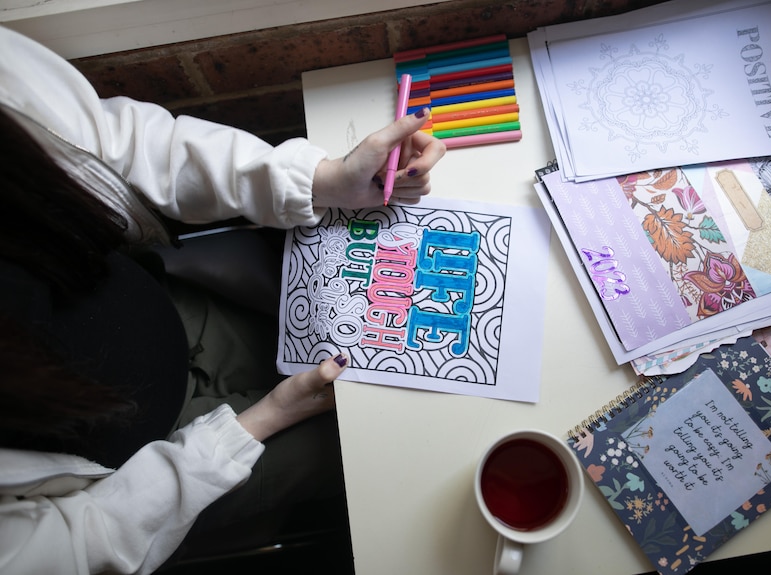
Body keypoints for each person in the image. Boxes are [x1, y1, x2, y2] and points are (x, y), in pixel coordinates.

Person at [0, 24, 446, 575]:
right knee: (382, 451)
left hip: (169, 310)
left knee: (377, 393)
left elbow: (114, 141)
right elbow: (77, 545)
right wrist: (264, 420)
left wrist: (323, 181)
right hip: (149, 467)